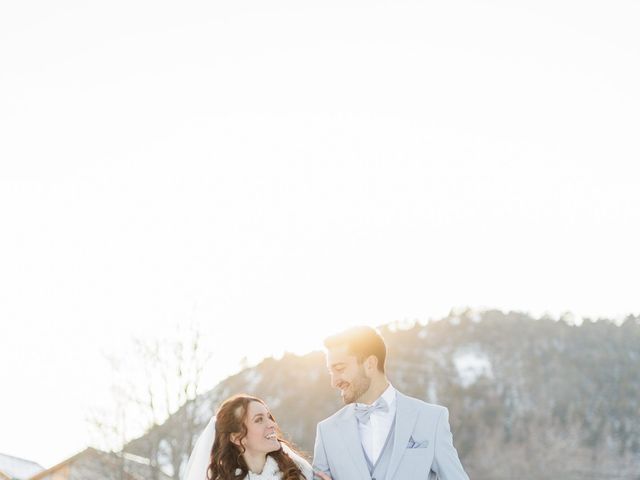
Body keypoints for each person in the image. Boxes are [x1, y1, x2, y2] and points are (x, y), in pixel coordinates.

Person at [313, 326, 470, 480]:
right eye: (330, 372)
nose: (334, 382)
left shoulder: (431, 419)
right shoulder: (327, 432)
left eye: (340, 368)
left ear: (370, 364)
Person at [184, 394, 316, 480]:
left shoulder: (298, 473)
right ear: (236, 438)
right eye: (259, 420)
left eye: (269, 417)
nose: (272, 424)